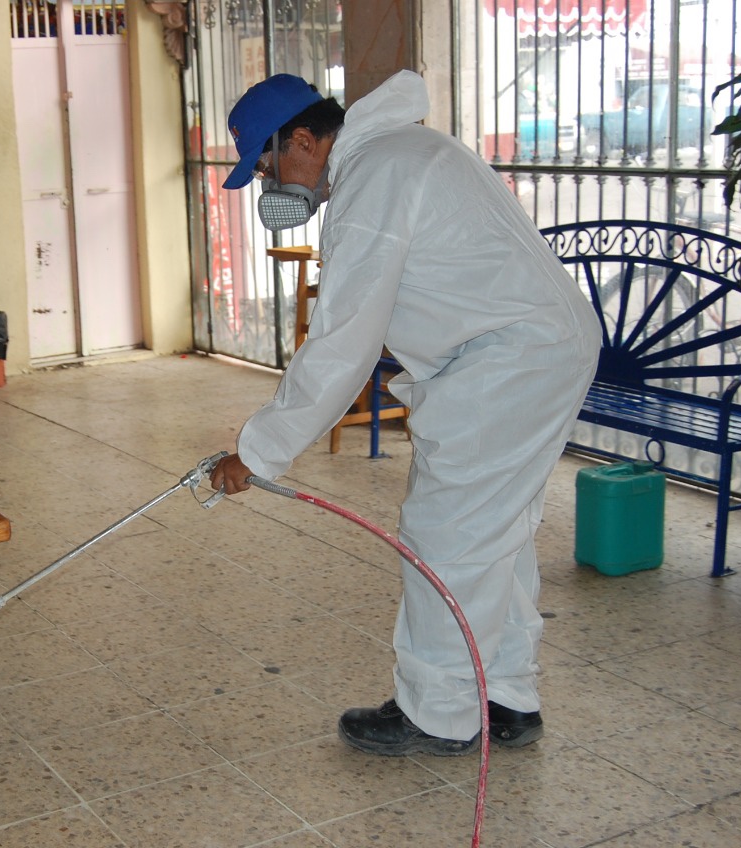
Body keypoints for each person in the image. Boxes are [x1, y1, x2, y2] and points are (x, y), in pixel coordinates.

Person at [209, 71, 600, 756]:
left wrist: (259, 451)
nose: (271, 184)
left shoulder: (375, 178)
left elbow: (344, 340)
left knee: (448, 537)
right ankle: (506, 695)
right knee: (494, 535)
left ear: (303, 139)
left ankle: (439, 713)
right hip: (532, 352)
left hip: (507, 363)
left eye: (268, 166)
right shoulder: (400, 154)